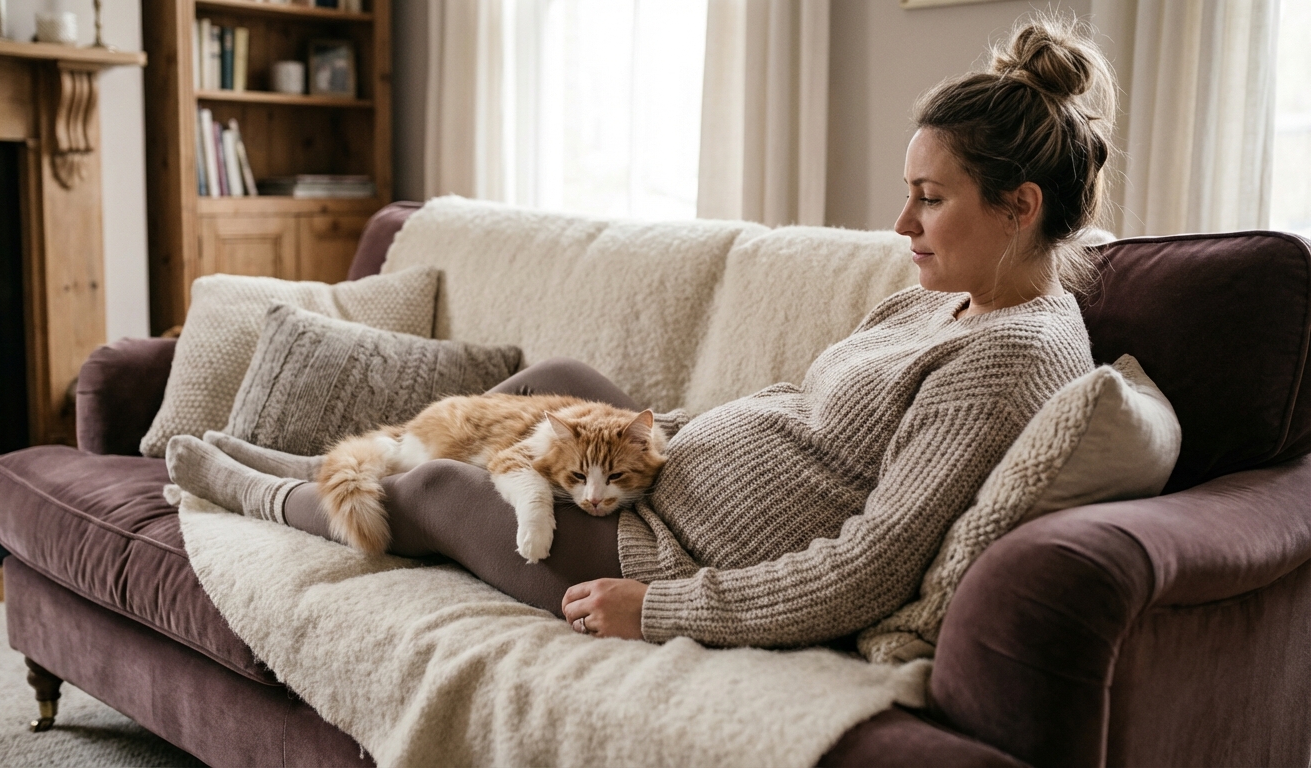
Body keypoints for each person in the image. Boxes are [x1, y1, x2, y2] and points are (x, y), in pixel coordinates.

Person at [168, 13, 1117, 648]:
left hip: (666, 552)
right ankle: (323, 465)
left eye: (929, 199)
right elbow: (802, 416)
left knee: (438, 491)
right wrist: (671, 433)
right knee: (565, 373)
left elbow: (870, 563)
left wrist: (662, 609)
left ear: (1018, 206)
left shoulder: (1009, 358)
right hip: (663, 483)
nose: (902, 224)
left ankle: (266, 493)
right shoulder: (945, 297)